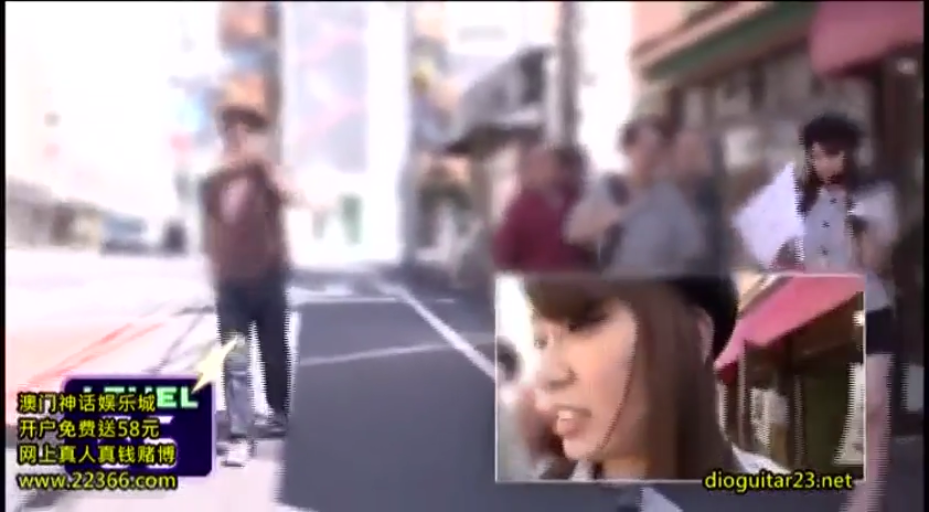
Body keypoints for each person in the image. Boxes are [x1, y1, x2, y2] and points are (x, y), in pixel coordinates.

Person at [795, 113, 898, 512]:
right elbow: (803, 262)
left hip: (870, 308)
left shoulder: (874, 197)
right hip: (827, 316)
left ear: (850, 154)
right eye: (815, 157)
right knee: (846, 409)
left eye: (831, 154)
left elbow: (876, 260)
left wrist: (857, 219)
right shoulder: (807, 203)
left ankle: (869, 496)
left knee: (874, 405)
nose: (823, 164)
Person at [201, 101, 312, 466]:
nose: (237, 135)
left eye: (245, 129)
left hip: (268, 277)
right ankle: (240, 434)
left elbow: (295, 197)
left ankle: (278, 412)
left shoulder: (265, 172)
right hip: (231, 284)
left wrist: (266, 166)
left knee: (274, 353)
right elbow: (211, 226)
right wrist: (213, 266)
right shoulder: (214, 180)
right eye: (230, 128)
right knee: (235, 361)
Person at [564, 117, 706, 277]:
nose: (649, 155)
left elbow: (692, 248)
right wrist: (608, 219)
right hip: (618, 282)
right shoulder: (608, 188)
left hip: (660, 283)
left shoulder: (670, 196)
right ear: (627, 149)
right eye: (643, 147)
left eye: (656, 148)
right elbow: (573, 233)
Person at [492, 144, 591, 273]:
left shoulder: (575, 201)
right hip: (536, 279)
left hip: (575, 278)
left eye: (549, 163)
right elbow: (504, 252)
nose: (545, 168)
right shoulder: (520, 208)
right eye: (538, 165)